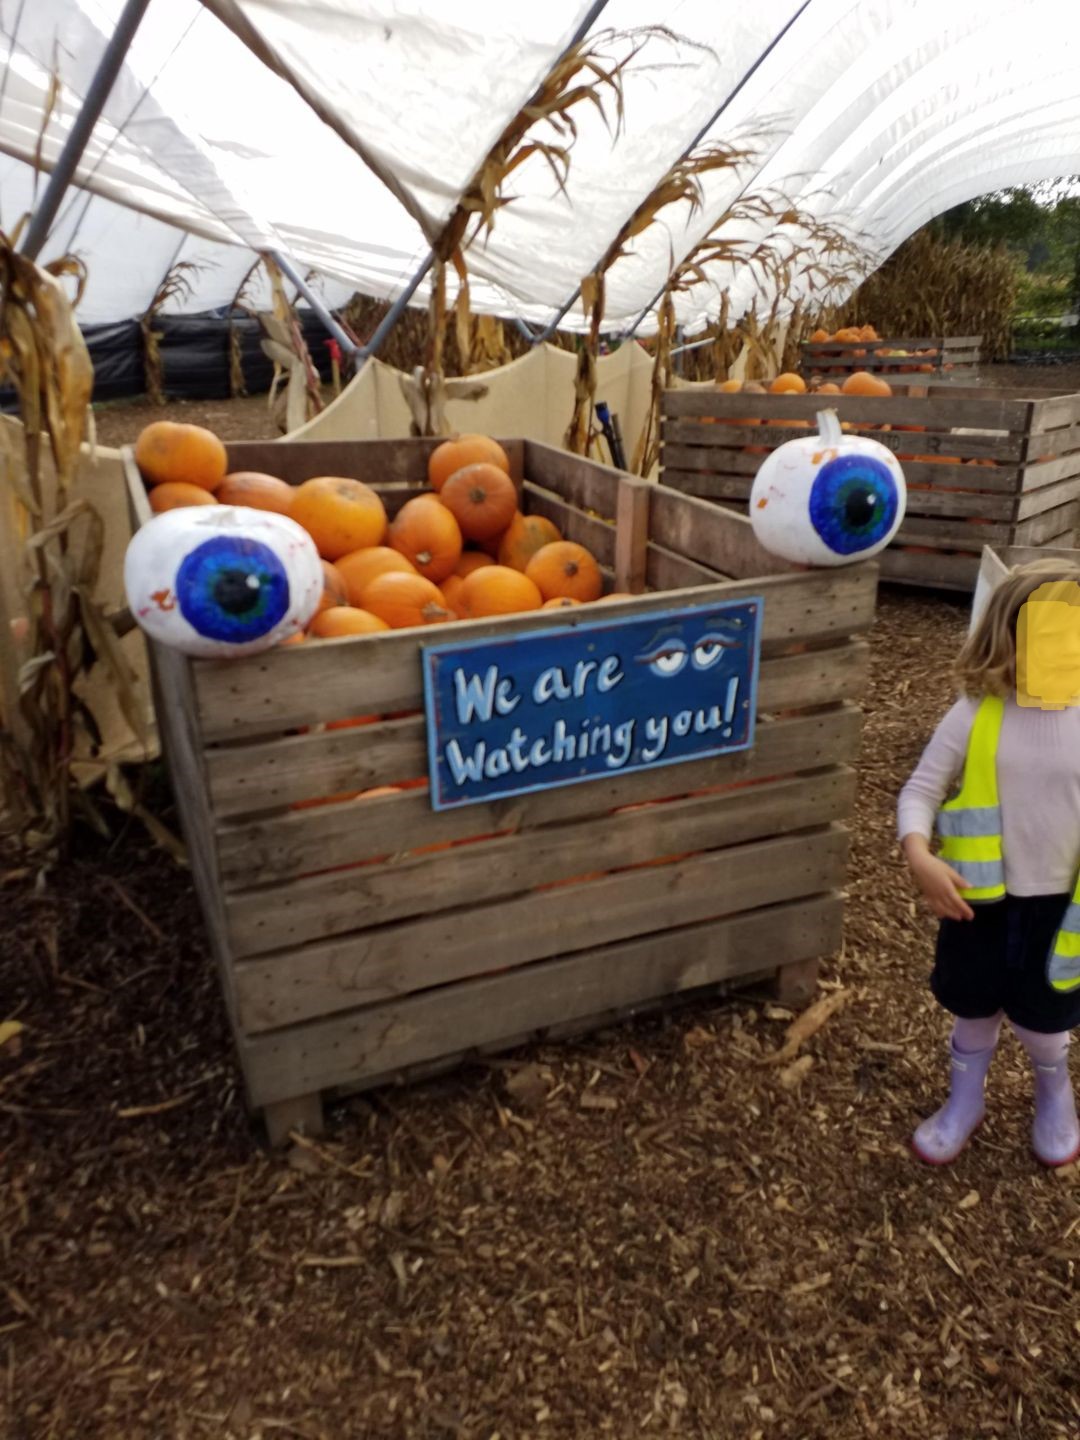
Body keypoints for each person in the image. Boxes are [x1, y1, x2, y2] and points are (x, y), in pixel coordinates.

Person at [898, 560, 1080, 1166]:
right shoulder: (978, 713)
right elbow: (921, 790)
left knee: (1045, 1021)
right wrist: (918, 855)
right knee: (973, 1010)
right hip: (979, 902)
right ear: (1009, 637)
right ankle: (964, 1102)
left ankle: (1054, 1089)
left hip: (1062, 909)